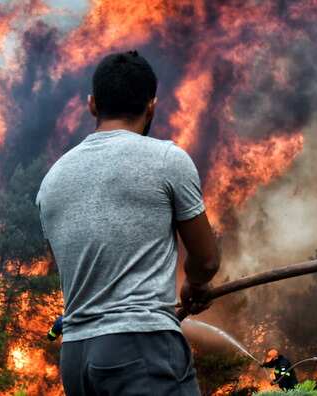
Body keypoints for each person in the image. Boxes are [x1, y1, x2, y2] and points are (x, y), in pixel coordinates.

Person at [36, 50, 220, 396]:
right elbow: (207, 260)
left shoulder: (51, 181)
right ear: (152, 105)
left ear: (92, 104)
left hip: (76, 358)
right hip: (140, 349)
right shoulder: (168, 160)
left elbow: (68, 262)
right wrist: (194, 286)